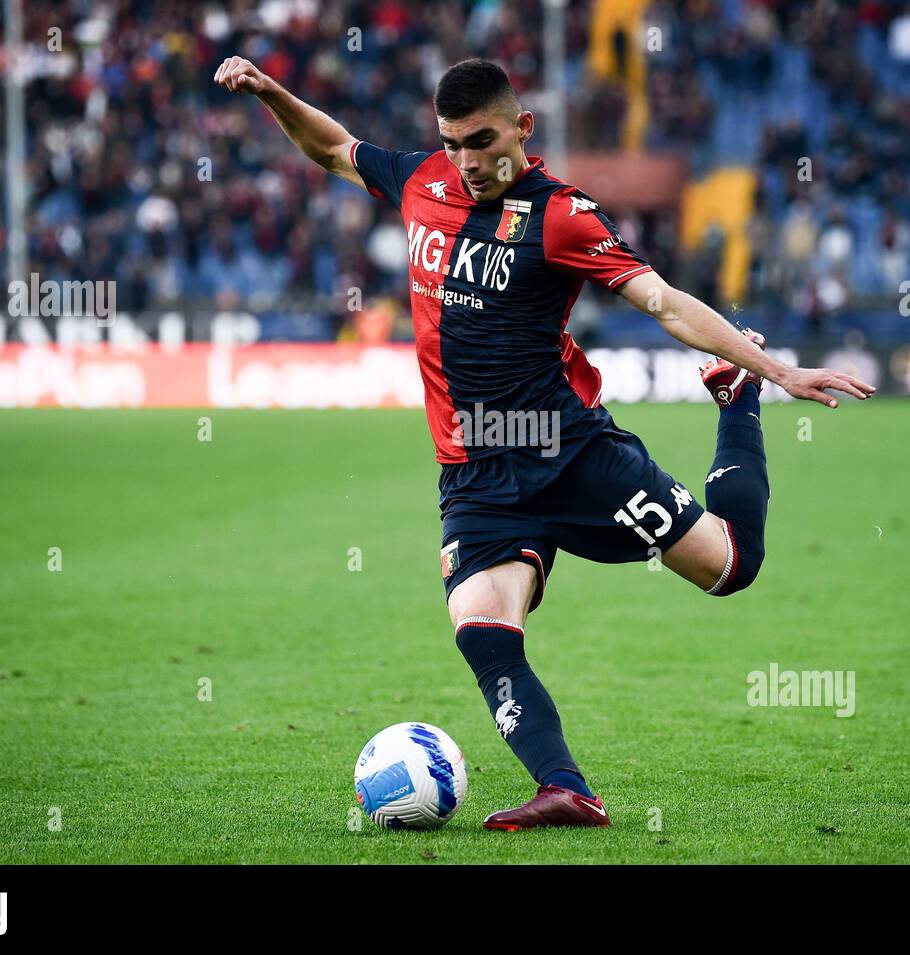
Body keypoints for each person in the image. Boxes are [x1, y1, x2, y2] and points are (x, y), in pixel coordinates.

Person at [214, 56, 874, 830]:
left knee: (731, 566)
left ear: (522, 128)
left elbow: (660, 299)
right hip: (474, 474)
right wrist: (269, 93)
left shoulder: (561, 215)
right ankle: (567, 788)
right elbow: (334, 149)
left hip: (571, 456)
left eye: (482, 140)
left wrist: (769, 367)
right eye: (452, 142)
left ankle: (737, 401)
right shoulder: (424, 181)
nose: (467, 161)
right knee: (482, 630)